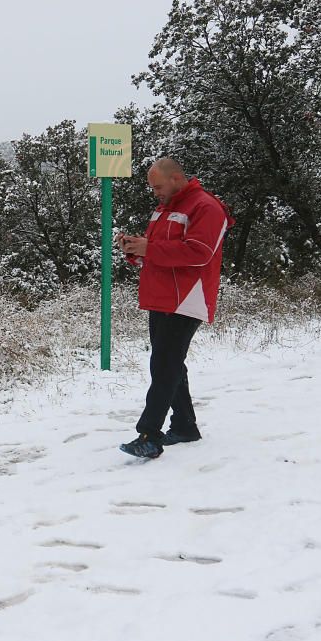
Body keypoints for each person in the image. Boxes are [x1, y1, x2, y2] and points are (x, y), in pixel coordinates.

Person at [116, 158, 234, 459]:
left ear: (177, 178)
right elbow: (158, 254)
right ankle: (184, 425)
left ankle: (150, 435)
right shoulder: (164, 208)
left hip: (186, 298)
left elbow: (200, 253)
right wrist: (135, 251)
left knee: (164, 365)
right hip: (161, 295)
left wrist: (149, 248)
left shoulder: (206, 207)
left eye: (158, 186)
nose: (154, 192)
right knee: (169, 362)